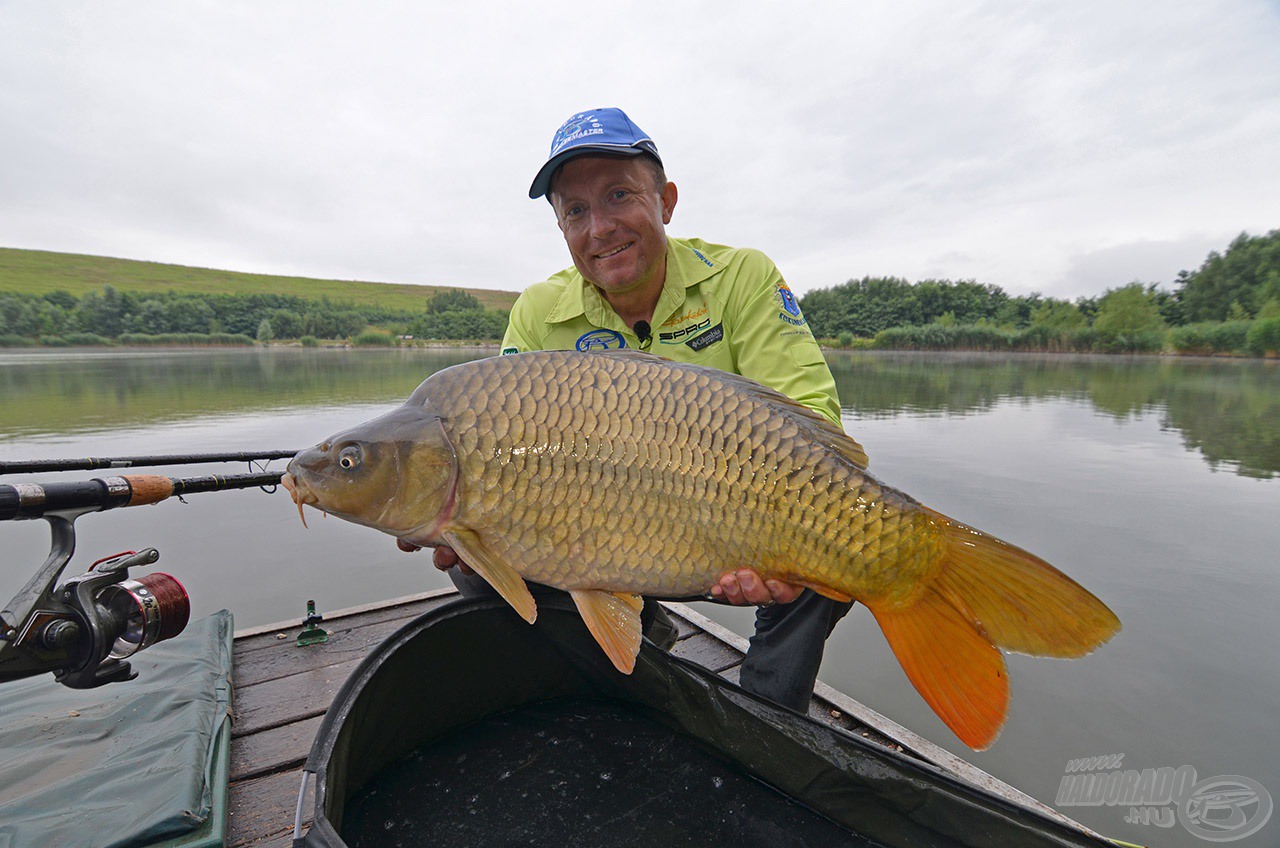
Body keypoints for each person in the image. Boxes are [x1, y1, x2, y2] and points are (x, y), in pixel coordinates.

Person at [420, 107, 853, 712]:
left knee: (831, 529)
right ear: (561, 226)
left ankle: (769, 714)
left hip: (728, 521)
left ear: (666, 200)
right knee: (477, 565)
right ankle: (640, 643)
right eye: (575, 210)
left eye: (618, 195)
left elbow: (817, 425)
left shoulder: (743, 277)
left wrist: (771, 547)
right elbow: (496, 449)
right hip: (593, 528)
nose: (599, 227)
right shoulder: (538, 312)